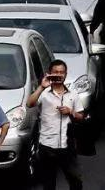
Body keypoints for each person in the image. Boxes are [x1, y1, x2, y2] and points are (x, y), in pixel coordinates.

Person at [27, 59, 85, 190]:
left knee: (76, 182)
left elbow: (81, 116)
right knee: (48, 184)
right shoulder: (43, 93)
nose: (59, 75)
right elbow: (29, 104)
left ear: (66, 74)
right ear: (49, 74)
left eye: (62, 72)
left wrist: (70, 112)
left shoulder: (73, 94)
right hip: (47, 145)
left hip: (68, 145)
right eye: (56, 72)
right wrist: (42, 86)